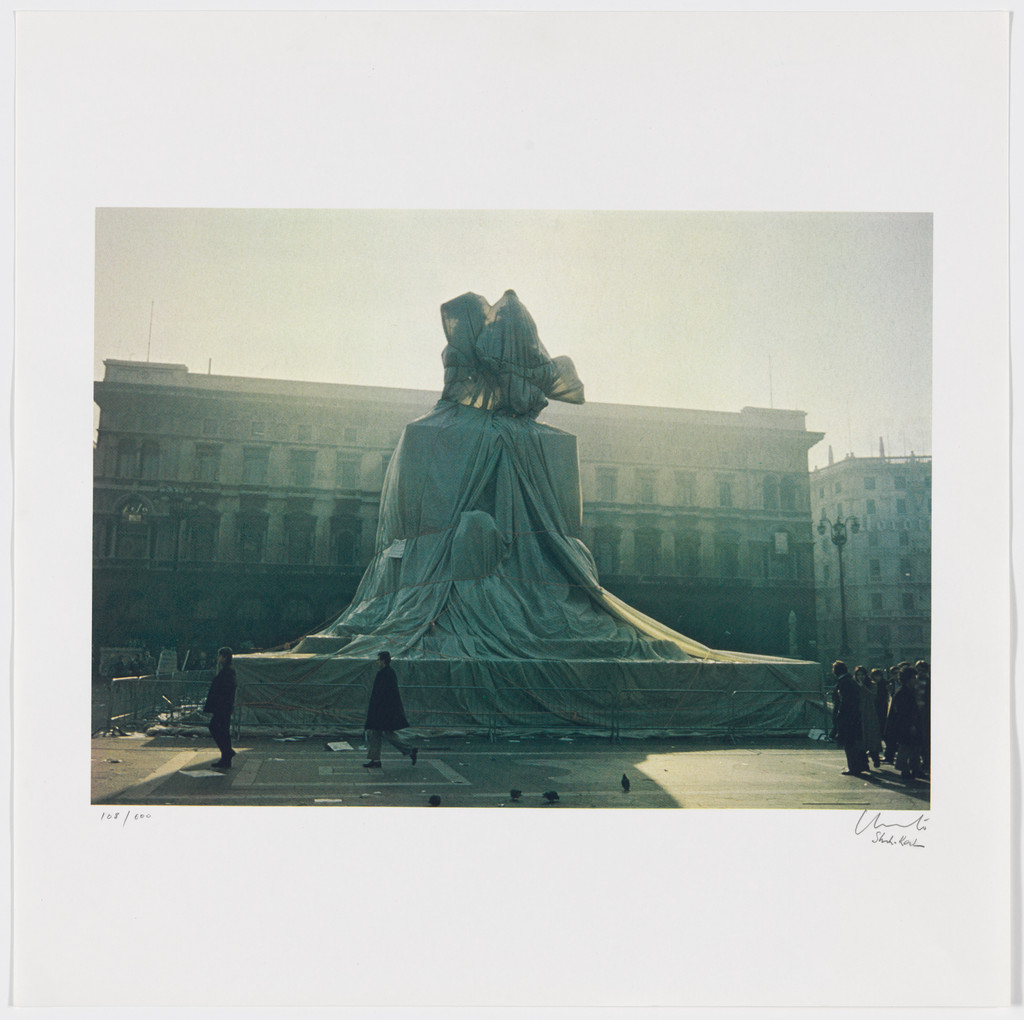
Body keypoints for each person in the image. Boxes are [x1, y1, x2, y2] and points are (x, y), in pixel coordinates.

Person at [363, 651, 418, 769]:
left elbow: (384, 694)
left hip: (383, 710)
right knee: (376, 733)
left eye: (378, 660)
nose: (377, 662)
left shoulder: (385, 674)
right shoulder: (387, 673)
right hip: (383, 709)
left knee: (386, 734)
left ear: (383, 661)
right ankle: (375, 759)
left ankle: (409, 749)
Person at [203, 646, 237, 770]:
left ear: (224, 657)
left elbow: (225, 690)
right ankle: (226, 756)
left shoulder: (227, 672)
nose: (217, 658)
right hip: (224, 707)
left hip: (222, 707)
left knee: (215, 728)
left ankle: (227, 752)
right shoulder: (228, 670)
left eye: (219, 655)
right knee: (223, 731)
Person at [833, 660, 868, 776]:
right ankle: (860, 765)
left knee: (849, 744)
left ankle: (853, 767)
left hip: (847, 718)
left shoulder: (844, 683)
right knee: (855, 743)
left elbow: (844, 701)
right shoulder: (850, 681)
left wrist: (839, 715)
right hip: (854, 716)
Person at [887, 665, 922, 780]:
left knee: (913, 747)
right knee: (906, 747)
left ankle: (915, 768)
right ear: (908, 679)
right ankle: (904, 769)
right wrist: (910, 725)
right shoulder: (903, 692)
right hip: (905, 725)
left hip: (909, 723)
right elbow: (903, 712)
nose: (915, 679)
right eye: (913, 677)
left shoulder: (907, 691)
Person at [854, 665, 882, 768]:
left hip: (870, 712)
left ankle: (875, 757)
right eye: (858, 675)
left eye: (862, 674)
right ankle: (864, 762)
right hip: (859, 713)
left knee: (872, 736)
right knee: (861, 738)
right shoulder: (854, 684)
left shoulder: (872, 685)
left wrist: (862, 687)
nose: (860, 677)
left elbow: (873, 696)